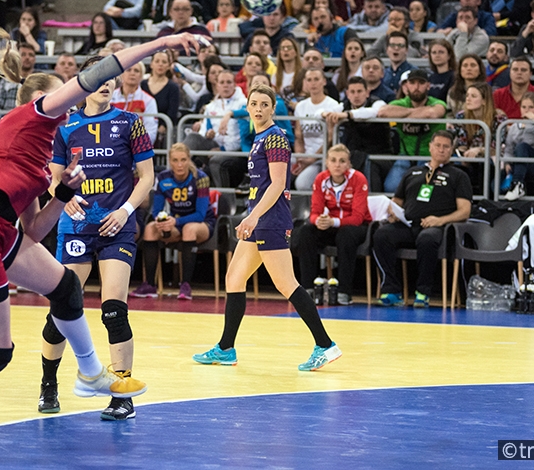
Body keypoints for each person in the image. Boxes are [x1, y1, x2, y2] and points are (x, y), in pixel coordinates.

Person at [0, 30, 206, 443]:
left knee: (67, 287)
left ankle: (90, 374)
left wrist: (65, 191)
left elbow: (33, 230)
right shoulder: (34, 115)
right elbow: (100, 72)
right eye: (65, 97)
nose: (70, 105)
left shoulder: (38, 159)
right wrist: (164, 42)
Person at [36, 55, 155, 420]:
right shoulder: (66, 126)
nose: (107, 83)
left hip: (116, 227)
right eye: (100, 77)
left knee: (114, 309)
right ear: (85, 82)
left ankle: (122, 393)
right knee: (63, 309)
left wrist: (125, 211)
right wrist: (65, 198)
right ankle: (48, 385)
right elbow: (53, 179)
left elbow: (147, 178)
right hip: (76, 227)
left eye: (112, 78)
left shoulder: (130, 124)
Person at [192, 84, 342, 371]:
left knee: (287, 284)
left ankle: (325, 345)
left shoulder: (274, 138)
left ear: (273, 109)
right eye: (254, 103)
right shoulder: (260, 138)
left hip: (270, 221)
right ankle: (225, 348)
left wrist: (252, 217)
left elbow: (277, 184)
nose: (259, 109)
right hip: (260, 219)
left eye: (264, 104)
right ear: (247, 107)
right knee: (234, 279)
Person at [373, 129, 472, 307]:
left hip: (438, 227)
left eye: (446, 147)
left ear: (451, 150)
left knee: (427, 239)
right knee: (382, 235)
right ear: (430, 147)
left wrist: (440, 220)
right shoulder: (413, 172)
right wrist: (393, 213)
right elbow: (397, 201)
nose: (441, 150)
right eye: (438, 146)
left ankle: (423, 292)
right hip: (408, 224)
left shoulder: (459, 175)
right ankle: (391, 290)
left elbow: (464, 211)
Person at [134, 142, 217, 301]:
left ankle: (185, 285)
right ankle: (149, 285)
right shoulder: (163, 178)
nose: (180, 164)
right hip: (176, 223)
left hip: (203, 224)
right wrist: (161, 220)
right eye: (176, 160)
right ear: (169, 161)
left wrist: (174, 222)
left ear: (189, 160)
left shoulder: (200, 178)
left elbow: (200, 214)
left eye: (184, 160)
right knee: (150, 228)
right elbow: (156, 210)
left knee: (189, 229)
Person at [291, 144, 371, 306]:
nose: (337, 164)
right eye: (333, 160)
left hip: (356, 227)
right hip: (331, 225)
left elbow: (357, 217)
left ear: (348, 164)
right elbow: (314, 212)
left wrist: (333, 221)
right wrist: (318, 221)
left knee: (346, 235)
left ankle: (344, 291)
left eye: (342, 161)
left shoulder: (358, 179)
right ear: (327, 162)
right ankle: (307, 288)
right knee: (306, 231)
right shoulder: (321, 179)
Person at [377, 68, 449, 192]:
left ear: (428, 86)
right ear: (406, 85)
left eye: (421, 83)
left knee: (425, 189)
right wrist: (418, 112)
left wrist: (403, 115)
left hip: (430, 156)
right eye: (412, 83)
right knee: (391, 187)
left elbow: (432, 113)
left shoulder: (437, 102)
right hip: (405, 155)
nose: (416, 87)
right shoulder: (401, 102)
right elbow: (383, 112)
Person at [325, 76, 391, 191]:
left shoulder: (377, 103)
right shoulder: (343, 106)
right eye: (353, 92)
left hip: (380, 154)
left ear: (367, 92)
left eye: (359, 91)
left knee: (367, 163)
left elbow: (374, 112)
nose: (356, 95)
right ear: (347, 94)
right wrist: (326, 115)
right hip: (354, 153)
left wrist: (348, 115)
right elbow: (319, 112)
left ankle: (371, 200)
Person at [451, 82, 508, 193]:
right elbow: (461, 142)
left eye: (473, 96)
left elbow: (497, 147)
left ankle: (484, 202)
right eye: (467, 95)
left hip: (492, 158)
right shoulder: (461, 117)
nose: (468, 99)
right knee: (455, 166)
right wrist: (464, 154)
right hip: (468, 157)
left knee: (484, 165)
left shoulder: (499, 118)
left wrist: (479, 150)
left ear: (484, 101)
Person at [293, 68, 341, 191]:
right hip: (305, 155)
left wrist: (311, 159)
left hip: (323, 157)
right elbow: (299, 137)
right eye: (309, 80)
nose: (313, 83)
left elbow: (330, 138)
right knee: (274, 167)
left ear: (324, 82)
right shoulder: (301, 107)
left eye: (316, 79)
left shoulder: (332, 105)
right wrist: (300, 158)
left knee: (302, 184)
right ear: (305, 83)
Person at [501, 92, 534, 200]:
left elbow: (529, 141)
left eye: (531, 107)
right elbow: (509, 147)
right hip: (519, 164)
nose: (527, 110)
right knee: (498, 176)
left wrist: (531, 123)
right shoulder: (514, 126)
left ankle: (517, 185)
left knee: (522, 146)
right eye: (524, 107)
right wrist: (507, 162)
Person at [0, 43, 37, 111]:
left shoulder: (39, 81)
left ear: (35, 59)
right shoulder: (7, 79)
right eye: (23, 54)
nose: (27, 57)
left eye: (31, 55)